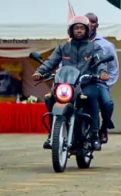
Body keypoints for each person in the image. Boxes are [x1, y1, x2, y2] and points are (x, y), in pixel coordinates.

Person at [33, 15, 107, 151]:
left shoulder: (94, 48)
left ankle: (95, 134)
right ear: (71, 30)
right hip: (66, 84)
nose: (79, 31)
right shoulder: (63, 47)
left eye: (81, 28)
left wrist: (102, 73)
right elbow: (50, 61)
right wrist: (40, 72)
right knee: (50, 98)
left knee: (92, 97)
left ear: (87, 30)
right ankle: (52, 135)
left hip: (85, 83)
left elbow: (100, 61)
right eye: (76, 28)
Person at [86, 12, 118, 144]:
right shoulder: (73, 44)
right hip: (79, 83)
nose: (89, 25)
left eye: (93, 22)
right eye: (87, 22)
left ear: (97, 25)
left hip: (99, 83)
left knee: (107, 103)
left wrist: (106, 84)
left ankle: (103, 128)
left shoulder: (106, 45)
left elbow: (114, 69)